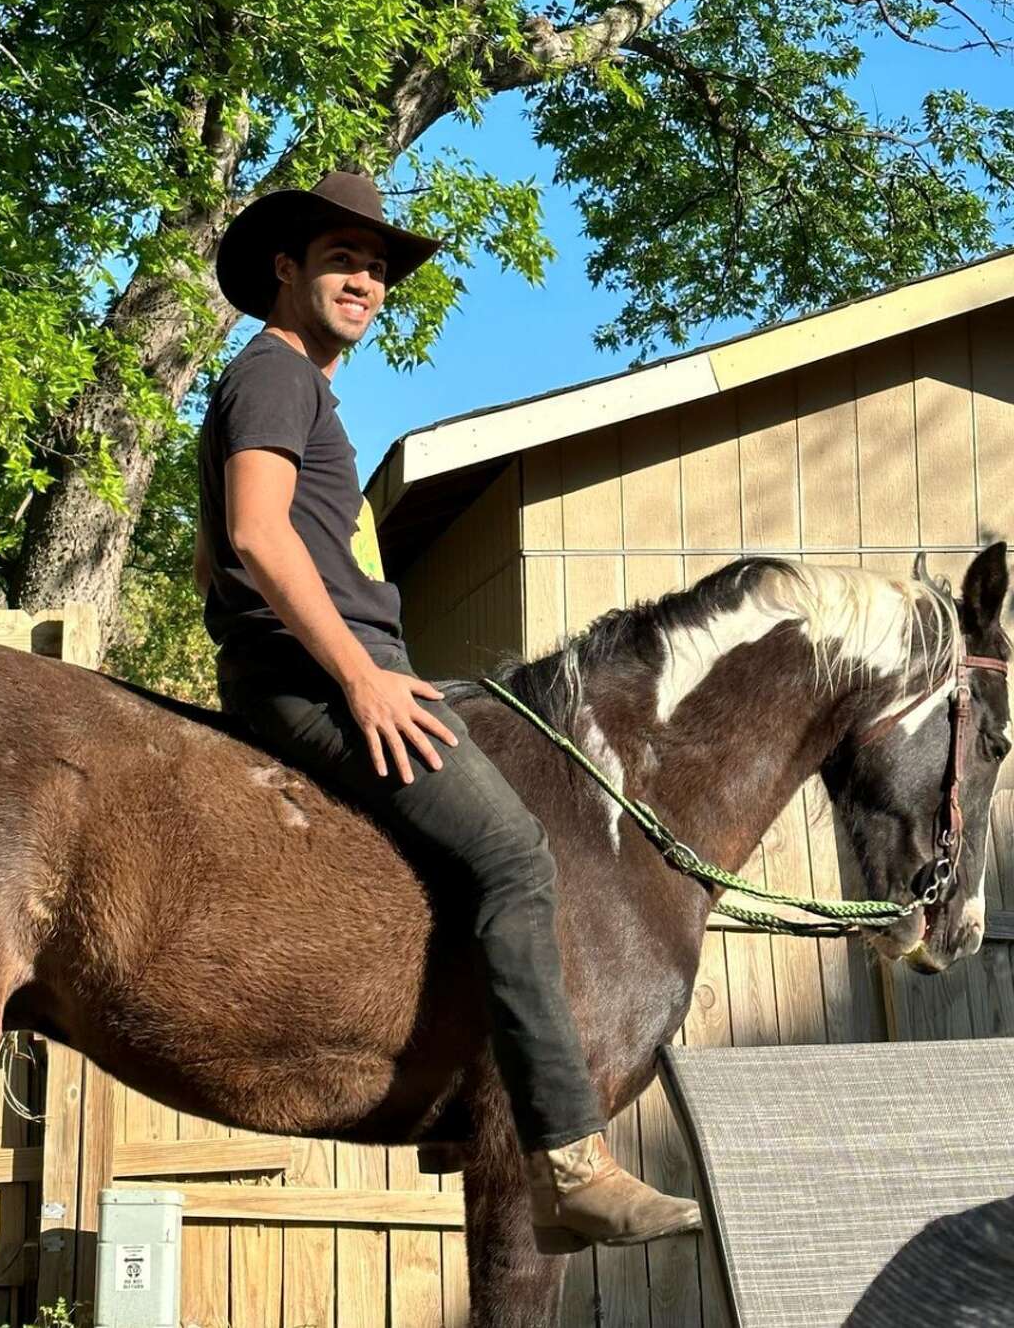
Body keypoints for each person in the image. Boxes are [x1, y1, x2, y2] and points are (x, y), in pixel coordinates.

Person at [194, 170, 701, 1254]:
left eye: (378, 270)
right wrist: (360, 675)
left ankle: (458, 1089)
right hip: (320, 678)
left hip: (325, 666)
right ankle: (567, 1158)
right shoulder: (275, 377)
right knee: (519, 852)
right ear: (285, 269)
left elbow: (210, 551)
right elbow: (253, 535)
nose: (365, 282)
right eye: (343, 259)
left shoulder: (295, 391)